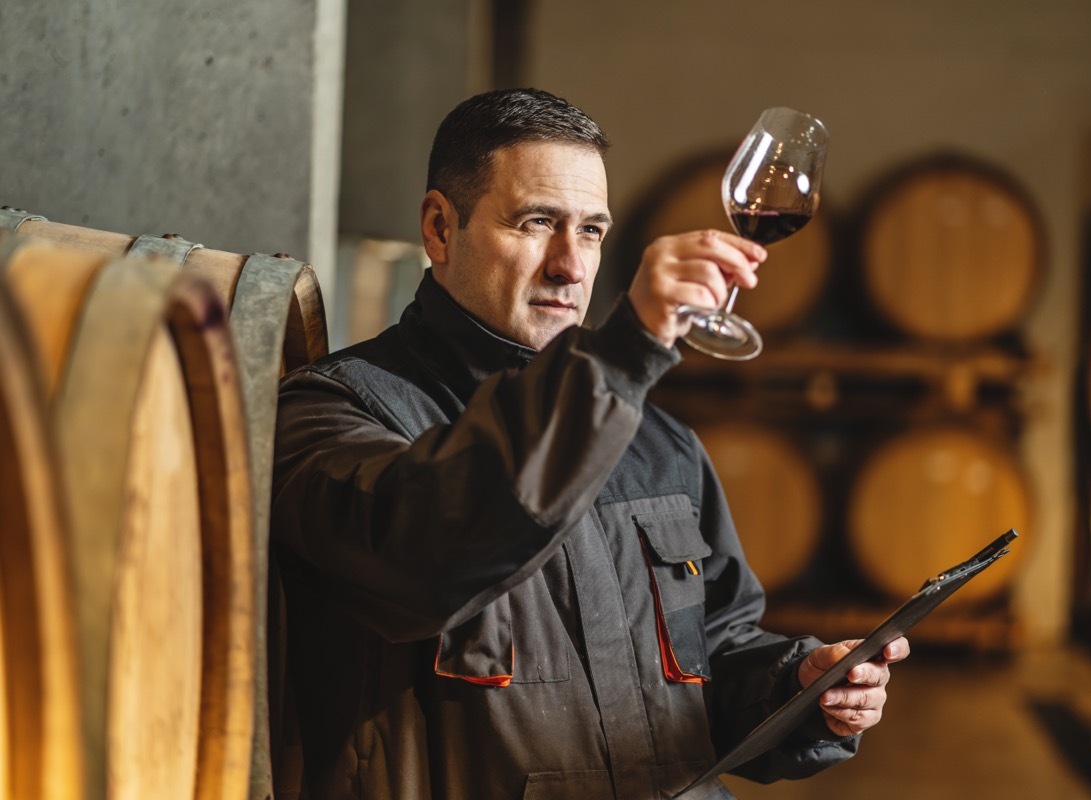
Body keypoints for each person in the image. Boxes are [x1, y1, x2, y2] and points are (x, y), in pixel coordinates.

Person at [271, 87, 909, 800]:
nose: (570, 266)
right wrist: (625, 352)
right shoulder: (335, 410)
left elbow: (720, 657)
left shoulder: (655, 439)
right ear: (440, 227)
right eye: (537, 222)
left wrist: (803, 689)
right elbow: (431, 552)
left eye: (593, 231)